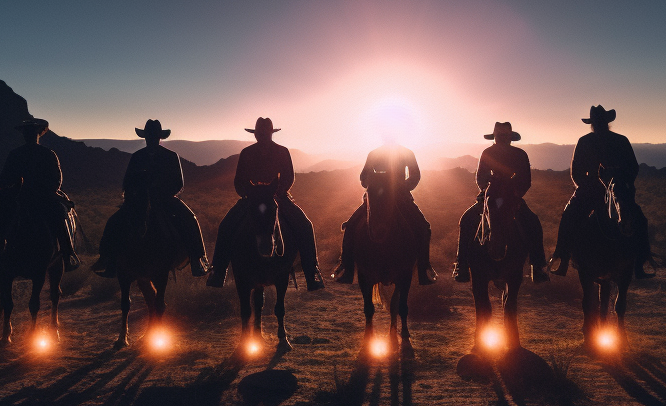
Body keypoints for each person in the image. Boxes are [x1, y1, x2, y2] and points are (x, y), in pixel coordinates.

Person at [207, 117, 325, 290]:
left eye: (264, 133)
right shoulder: (247, 153)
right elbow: (239, 180)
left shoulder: (282, 151)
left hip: (277, 197)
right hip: (253, 199)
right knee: (226, 225)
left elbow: (289, 177)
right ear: (255, 135)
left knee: (305, 225)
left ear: (270, 134)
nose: (261, 136)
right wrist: (248, 193)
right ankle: (218, 271)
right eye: (259, 134)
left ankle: (311, 272)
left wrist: (277, 193)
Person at [91, 119, 209, 278]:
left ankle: (198, 259)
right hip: (139, 200)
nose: (151, 140)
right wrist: (134, 194)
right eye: (149, 137)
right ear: (145, 138)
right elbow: (127, 181)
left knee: (190, 218)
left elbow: (178, 183)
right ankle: (108, 259)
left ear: (159, 138)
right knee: (114, 221)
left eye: (154, 137)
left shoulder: (171, 156)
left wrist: (161, 193)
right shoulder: (137, 157)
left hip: (165, 200)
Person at [548, 105, 648, 276]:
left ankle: (640, 260)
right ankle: (563, 257)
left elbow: (633, 167)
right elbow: (576, 172)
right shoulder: (585, 141)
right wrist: (586, 185)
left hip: (617, 189)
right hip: (590, 190)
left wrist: (622, 182)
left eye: (600, 121)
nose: (598, 124)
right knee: (569, 215)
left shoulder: (620, 141)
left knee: (639, 219)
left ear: (606, 122)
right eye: (596, 121)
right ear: (593, 123)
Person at [332, 136, 438, 286]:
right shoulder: (374, 154)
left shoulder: (407, 153)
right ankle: (347, 268)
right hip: (375, 197)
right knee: (351, 226)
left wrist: (399, 187)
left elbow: (415, 176)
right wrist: (374, 184)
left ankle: (423, 268)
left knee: (423, 227)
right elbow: (363, 177)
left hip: (400, 197)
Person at [451, 121, 548, 282]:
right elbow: (480, 177)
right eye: (499, 136)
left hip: (513, 196)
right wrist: (485, 190)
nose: (502, 139)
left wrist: (517, 193)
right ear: (495, 137)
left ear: (510, 137)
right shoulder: (488, 153)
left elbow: (525, 179)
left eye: (505, 136)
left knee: (533, 222)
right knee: (466, 220)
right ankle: (461, 265)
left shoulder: (520, 154)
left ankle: (537, 265)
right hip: (490, 195)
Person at [0, 117, 80, 271]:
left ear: (37, 134)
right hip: (27, 197)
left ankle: (68, 252)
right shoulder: (24, 154)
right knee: (0, 216)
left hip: (37, 197)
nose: (29, 135)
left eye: (32, 132)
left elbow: (56, 179)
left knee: (59, 213)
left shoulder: (42, 154)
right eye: (27, 132)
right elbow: (4, 179)